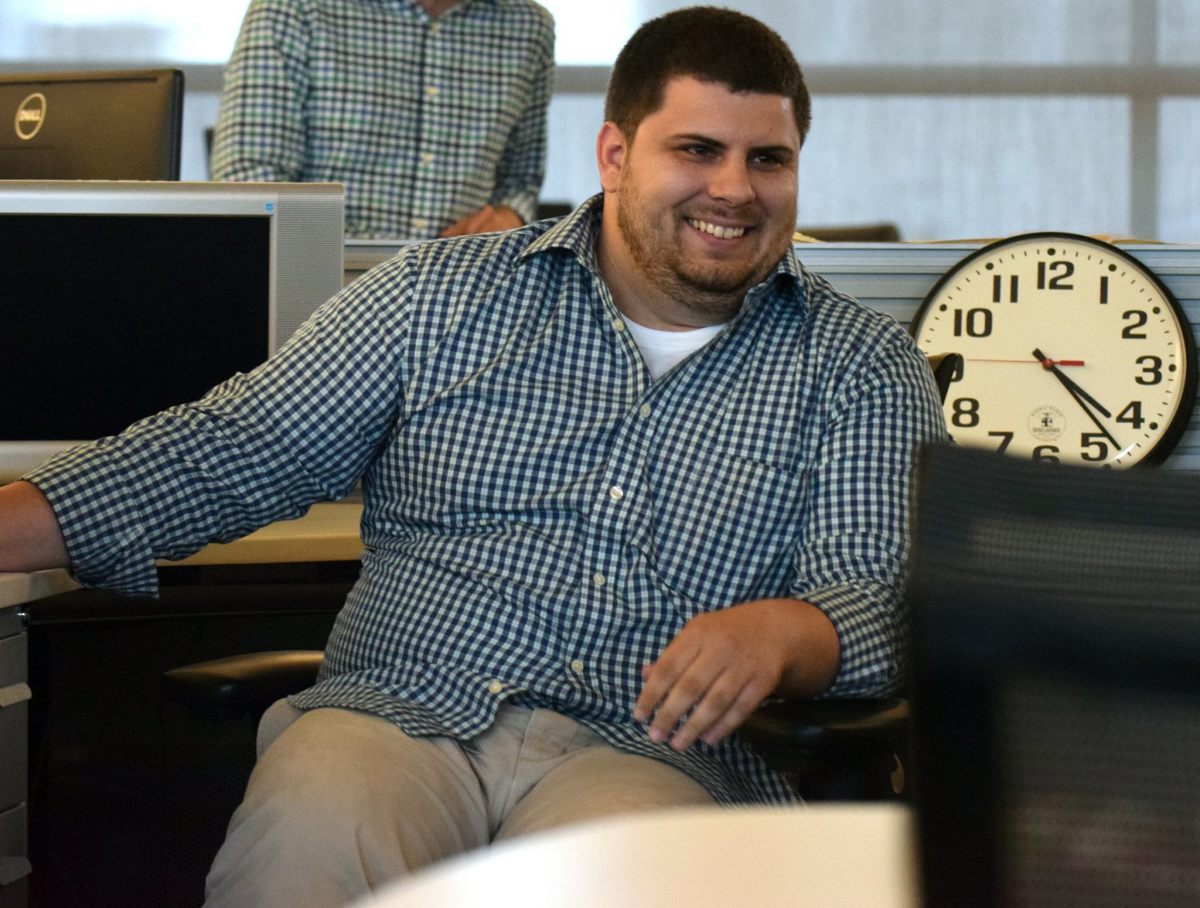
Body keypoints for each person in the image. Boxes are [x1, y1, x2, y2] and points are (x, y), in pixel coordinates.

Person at [0, 6, 948, 905]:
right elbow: (226, 450)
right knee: (310, 839)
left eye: (768, 158)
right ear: (615, 155)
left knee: (612, 880)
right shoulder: (437, 297)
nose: (735, 188)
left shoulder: (859, 366)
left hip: (653, 754)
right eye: (697, 149)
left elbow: (885, 600)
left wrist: (787, 632)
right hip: (399, 715)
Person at [210, 0, 555, 239]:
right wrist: (379, 267)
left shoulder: (529, 27)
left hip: (462, 292)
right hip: (322, 288)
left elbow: (520, 181)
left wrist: (506, 219)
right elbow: (249, 183)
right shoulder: (293, 10)